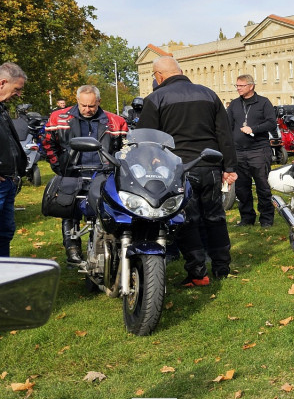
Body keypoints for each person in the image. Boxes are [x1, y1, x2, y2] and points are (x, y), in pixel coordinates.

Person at [138, 56, 238, 286]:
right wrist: (229, 167)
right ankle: (222, 267)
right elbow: (224, 133)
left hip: (177, 168)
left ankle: (198, 272)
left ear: (159, 76)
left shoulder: (155, 99)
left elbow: (146, 141)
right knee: (215, 216)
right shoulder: (209, 94)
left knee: (187, 219)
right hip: (210, 164)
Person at [42, 85, 129, 264]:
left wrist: (117, 167)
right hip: (72, 171)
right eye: (83, 105)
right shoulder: (59, 118)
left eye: (91, 106)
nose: (87, 110)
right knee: (68, 209)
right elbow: (48, 144)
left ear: (99, 102)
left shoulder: (116, 122)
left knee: (104, 211)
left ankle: (104, 249)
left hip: (104, 172)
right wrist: (59, 166)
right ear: (77, 101)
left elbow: (125, 149)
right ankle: (72, 248)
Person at [226, 74, 277, 227]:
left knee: (262, 186)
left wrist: (253, 129)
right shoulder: (234, 104)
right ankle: (247, 218)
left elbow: (271, 123)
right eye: (236, 86)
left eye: (241, 86)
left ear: (251, 86)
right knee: (242, 188)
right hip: (239, 152)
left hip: (258, 150)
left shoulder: (263, 102)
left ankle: (266, 219)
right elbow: (228, 127)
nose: (238, 89)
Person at [0, 62, 28, 258]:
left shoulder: (2, 109)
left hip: (8, 181)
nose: (18, 94)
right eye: (16, 89)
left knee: (5, 232)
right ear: (2, 82)